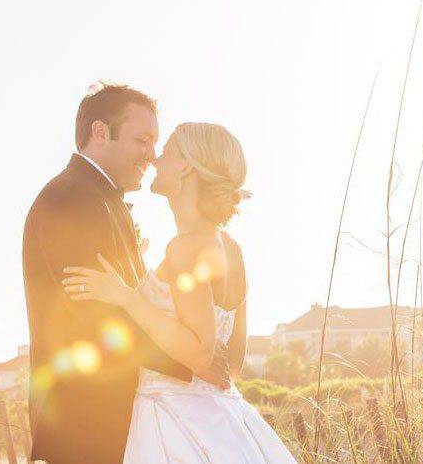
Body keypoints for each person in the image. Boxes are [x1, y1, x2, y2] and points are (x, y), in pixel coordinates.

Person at [63, 121, 298, 463]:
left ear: (186, 166)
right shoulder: (230, 247)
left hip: (174, 421)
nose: (156, 160)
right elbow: (230, 365)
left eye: (167, 151)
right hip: (227, 419)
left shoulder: (186, 247)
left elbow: (202, 355)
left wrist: (126, 297)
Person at [22, 83, 230, 464]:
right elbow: (98, 321)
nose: (151, 156)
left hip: (117, 425)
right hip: (88, 428)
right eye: (142, 140)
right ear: (100, 133)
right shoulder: (74, 200)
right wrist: (192, 360)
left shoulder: (97, 197)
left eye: (156, 144)